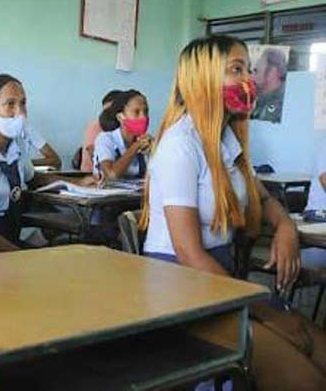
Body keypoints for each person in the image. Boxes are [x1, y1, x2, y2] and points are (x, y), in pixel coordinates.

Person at [141, 35, 325, 391]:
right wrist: (263, 310)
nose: (248, 80)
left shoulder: (227, 141)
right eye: (236, 70)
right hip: (182, 288)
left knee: (313, 342)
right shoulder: (180, 145)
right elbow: (189, 255)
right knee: (307, 377)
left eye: (249, 70)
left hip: (221, 282)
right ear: (204, 77)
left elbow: (265, 200)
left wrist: (286, 227)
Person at [0, 74, 92, 254]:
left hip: (10, 238)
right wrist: (17, 253)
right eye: (10, 104)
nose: (20, 112)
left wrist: (79, 183)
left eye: (23, 103)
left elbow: (34, 178)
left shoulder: (17, 145)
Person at [92, 89, 151, 181]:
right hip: (108, 190)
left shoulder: (147, 143)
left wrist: (155, 150)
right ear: (120, 117)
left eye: (146, 111)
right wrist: (136, 146)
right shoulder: (105, 139)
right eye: (136, 112)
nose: (143, 117)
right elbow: (111, 175)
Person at [76, 89, 121, 172]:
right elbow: (96, 157)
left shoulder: (123, 126)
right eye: (105, 111)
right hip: (92, 174)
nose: (108, 115)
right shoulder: (95, 126)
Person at [251, 47, 287, 123]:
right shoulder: (263, 101)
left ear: (272, 73)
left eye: (256, 71)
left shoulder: (279, 107)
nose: (251, 77)